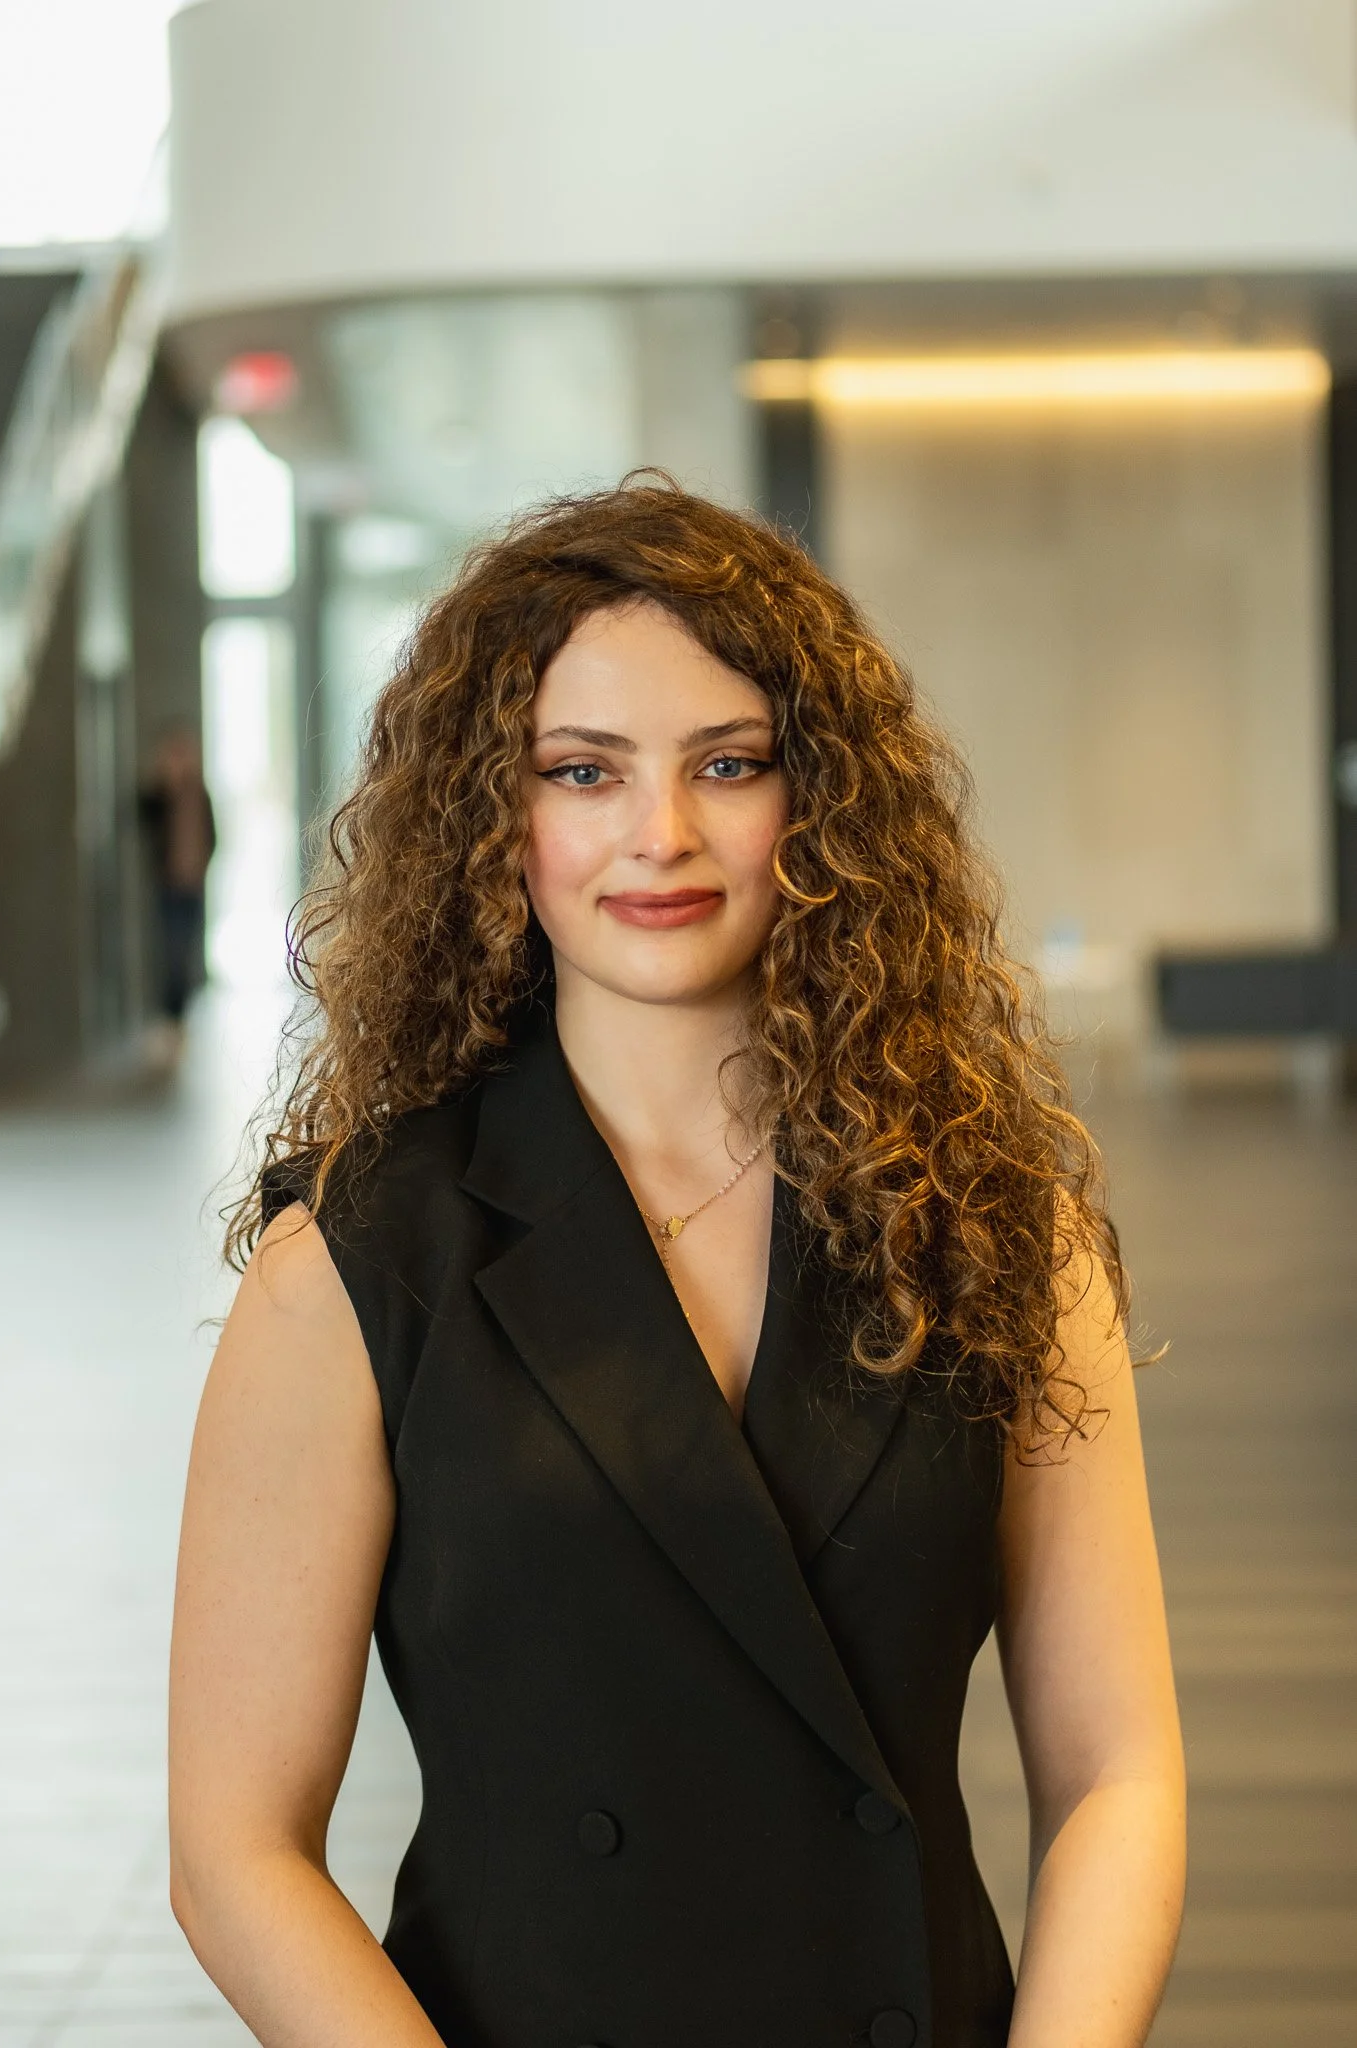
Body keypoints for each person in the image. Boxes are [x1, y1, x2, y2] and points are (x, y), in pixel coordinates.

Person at [169, 480, 1185, 2048]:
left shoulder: (994, 1230)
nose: (662, 835)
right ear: (496, 820)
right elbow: (236, 1854)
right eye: (585, 772)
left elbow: (1118, 1772)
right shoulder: (359, 1262)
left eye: (730, 763)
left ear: (824, 805)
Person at [138, 725, 216, 1049]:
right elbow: (143, 816)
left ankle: (178, 1018)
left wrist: (201, 868)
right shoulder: (161, 794)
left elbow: (211, 835)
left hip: (193, 885)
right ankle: (172, 1019)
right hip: (169, 885)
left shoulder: (199, 792)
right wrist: (162, 784)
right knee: (172, 951)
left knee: (185, 950)